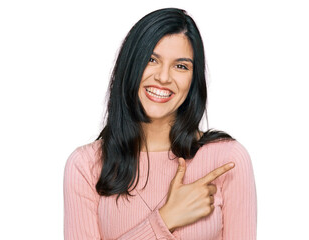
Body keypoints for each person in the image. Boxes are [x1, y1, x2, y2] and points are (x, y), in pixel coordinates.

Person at [64, 8, 257, 240]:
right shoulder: (86, 166)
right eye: (152, 60)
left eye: (181, 66)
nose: (164, 77)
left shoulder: (228, 160)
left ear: (193, 81)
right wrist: (166, 219)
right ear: (131, 65)